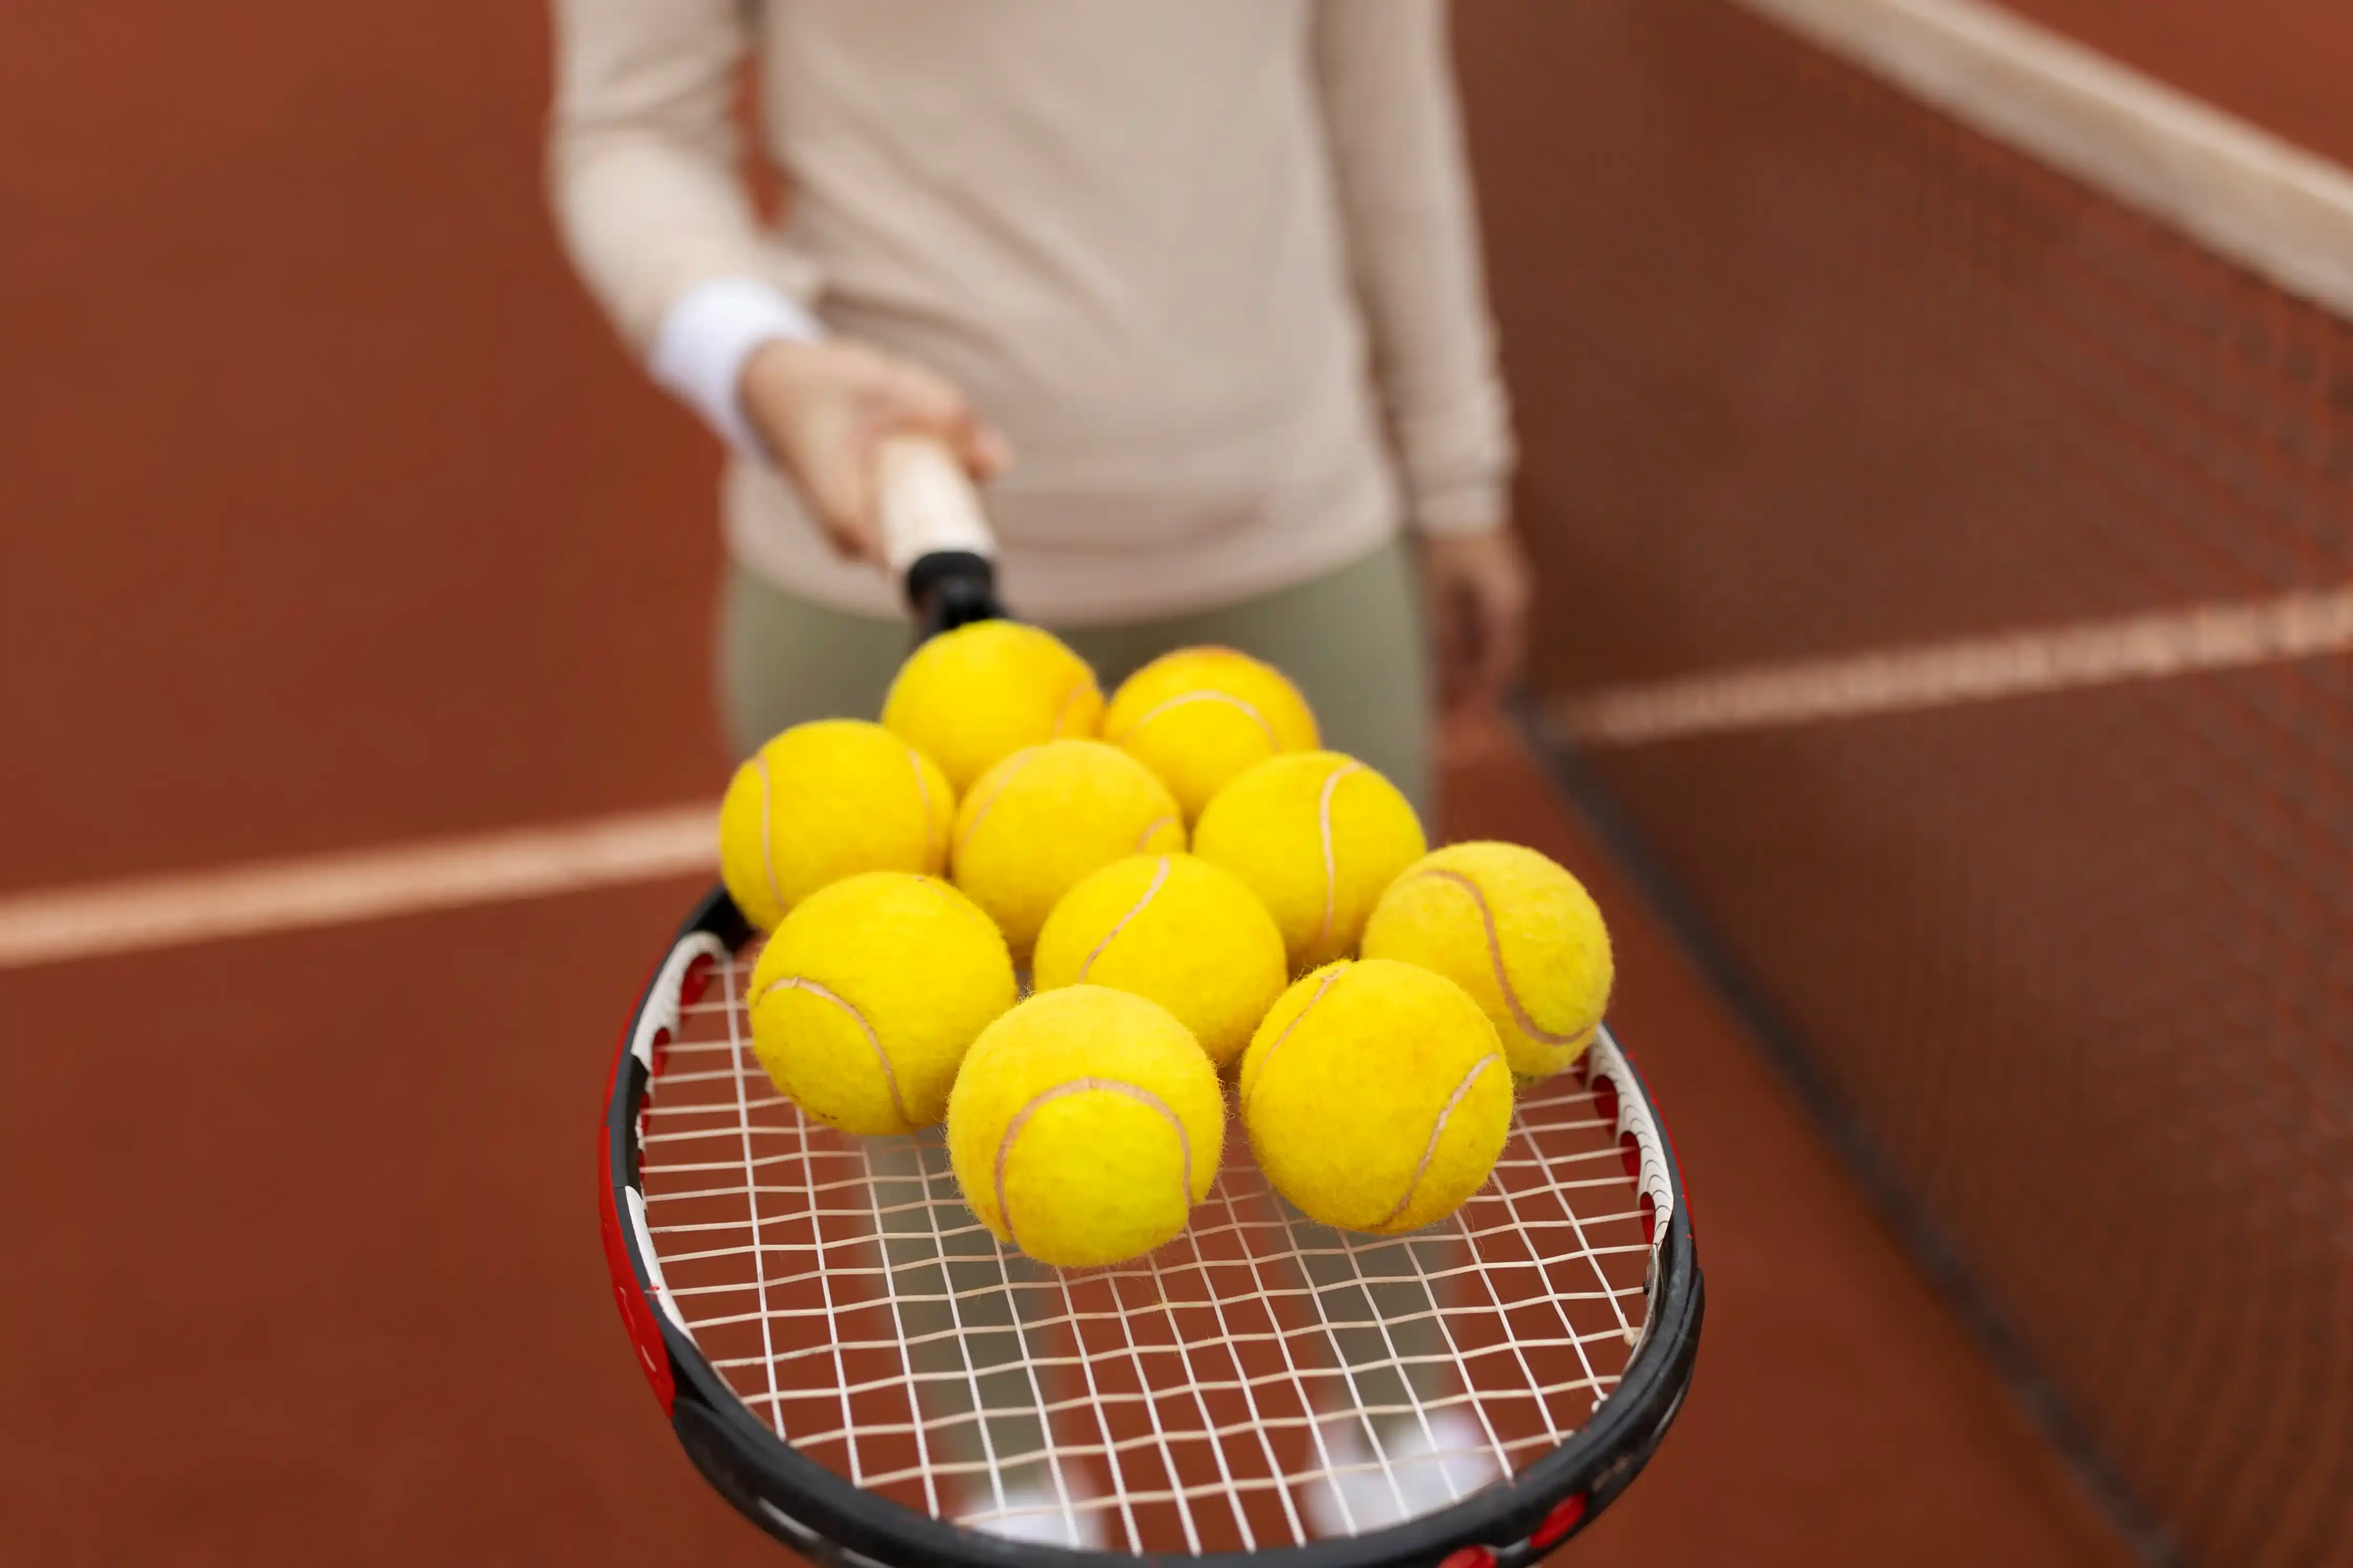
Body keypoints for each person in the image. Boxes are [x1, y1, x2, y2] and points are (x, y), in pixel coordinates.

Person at [550, 0, 1527, 1546]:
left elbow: (1379, 103)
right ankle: (1008, 1499)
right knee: (927, 1087)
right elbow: (629, 130)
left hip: (1288, 538)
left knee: (1372, 1053)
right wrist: (769, 367)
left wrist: (1455, 465)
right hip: (866, 544)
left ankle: (1408, 1454)